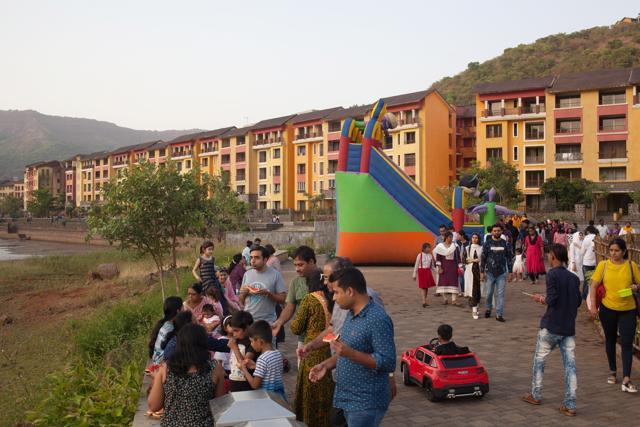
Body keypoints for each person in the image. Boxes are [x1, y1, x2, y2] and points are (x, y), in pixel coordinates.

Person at [309, 267, 396, 427]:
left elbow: (388, 362)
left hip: (365, 402)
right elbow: (345, 351)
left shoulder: (377, 319)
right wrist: (326, 365)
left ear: (350, 291)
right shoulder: (351, 314)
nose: (333, 298)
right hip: (347, 398)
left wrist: (351, 354)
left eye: (336, 292)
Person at [522, 244, 581, 416]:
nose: (547, 256)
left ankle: (536, 394)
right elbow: (577, 302)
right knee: (570, 366)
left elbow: (552, 299)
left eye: (549, 254)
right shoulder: (573, 277)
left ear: (553, 256)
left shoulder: (552, 275)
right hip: (568, 327)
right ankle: (570, 404)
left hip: (552, 325)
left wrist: (541, 299)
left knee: (539, 360)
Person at [148, 323, 225, 427]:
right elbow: (219, 408)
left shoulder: (166, 370)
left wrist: (157, 377)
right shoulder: (215, 369)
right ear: (204, 343)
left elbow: (154, 406)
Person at [589, 238, 639, 393]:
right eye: (611, 250)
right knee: (610, 340)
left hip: (628, 309)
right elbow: (593, 286)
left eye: (617, 250)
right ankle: (612, 370)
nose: (613, 253)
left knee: (626, 343)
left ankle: (626, 378)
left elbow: (639, 283)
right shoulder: (603, 266)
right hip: (607, 309)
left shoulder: (631, 266)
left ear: (624, 251)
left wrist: (635, 287)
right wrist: (592, 305)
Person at [290, 271, 334, 427]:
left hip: (312, 350)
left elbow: (296, 327)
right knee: (326, 391)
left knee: (310, 392)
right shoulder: (333, 299)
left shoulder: (310, 299)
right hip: (330, 350)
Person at [271, 246, 319, 351]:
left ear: (311, 262)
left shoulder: (325, 279)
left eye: (301, 265)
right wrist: (279, 322)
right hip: (303, 338)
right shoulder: (295, 282)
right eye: (295, 265)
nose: (297, 269)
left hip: (323, 338)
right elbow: (290, 307)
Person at [239, 245, 287, 326]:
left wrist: (268, 294)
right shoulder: (247, 274)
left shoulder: (275, 275)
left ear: (265, 260)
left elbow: (283, 299)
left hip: (267, 322)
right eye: (251, 257)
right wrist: (243, 294)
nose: (252, 261)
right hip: (248, 322)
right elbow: (241, 300)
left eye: (257, 258)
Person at [239, 320, 286, 398]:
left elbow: (255, 385)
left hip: (268, 399)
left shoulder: (262, 359)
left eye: (251, 341)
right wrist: (255, 366)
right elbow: (271, 371)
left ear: (260, 342)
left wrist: (244, 369)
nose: (251, 344)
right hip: (279, 397)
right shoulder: (278, 353)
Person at [481, 224, 513, 322]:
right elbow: (483, 258)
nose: (496, 232)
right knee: (489, 293)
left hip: (502, 273)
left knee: (500, 294)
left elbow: (509, 258)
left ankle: (499, 314)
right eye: (494, 231)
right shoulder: (487, 244)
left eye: (498, 231)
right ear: (492, 232)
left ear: (501, 231)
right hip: (489, 272)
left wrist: (510, 272)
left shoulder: (506, 244)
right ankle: (488, 309)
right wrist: (482, 272)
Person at [148, 296, 183, 368]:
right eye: (182, 307)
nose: (184, 309)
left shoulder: (162, 324)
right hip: (163, 366)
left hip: (156, 360)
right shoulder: (172, 328)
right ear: (178, 311)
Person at [193, 241, 227, 313]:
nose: (211, 251)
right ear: (203, 250)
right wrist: (197, 277)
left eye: (212, 249)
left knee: (218, 297)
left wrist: (217, 271)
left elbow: (212, 268)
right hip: (205, 282)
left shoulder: (212, 259)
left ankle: (221, 312)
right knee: (208, 298)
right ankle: (209, 313)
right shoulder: (200, 259)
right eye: (209, 249)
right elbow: (193, 270)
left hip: (213, 281)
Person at [227, 310, 257, 392]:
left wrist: (235, 348)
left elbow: (244, 364)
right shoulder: (237, 340)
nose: (234, 334)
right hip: (234, 380)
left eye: (236, 330)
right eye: (233, 331)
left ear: (247, 328)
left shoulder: (252, 343)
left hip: (245, 383)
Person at [434, 231, 462, 306]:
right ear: (446, 237)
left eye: (452, 237)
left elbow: (458, 258)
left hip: (453, 267)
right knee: (443, 283)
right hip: (444, 267)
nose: (451, 239)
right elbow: (438, 258)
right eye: (450, 237)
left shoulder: (455, 246)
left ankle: (454, 300)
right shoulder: (440, 246)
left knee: (454, 283)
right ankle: (445, 299)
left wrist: (460, 267)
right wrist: (439, 268)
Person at [463, 233, 483, 319]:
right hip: (470, 272)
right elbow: (464, 260)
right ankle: (474, 310)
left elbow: (483, 260)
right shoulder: (467, 248)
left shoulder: (481, 248)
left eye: (476, 238)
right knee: (472, 290)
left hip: (479, 271)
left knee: (478, 290)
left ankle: (476, 306)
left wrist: (476, 260)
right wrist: (474, 260)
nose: (474, 239)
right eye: (473, 237)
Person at [413, 242, 436, 307]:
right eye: (428, 248)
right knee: (423, 287)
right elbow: (416, 265)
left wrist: (437, 271)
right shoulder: (420, 255)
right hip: (421, 272)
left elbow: (432, 267)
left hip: (428, 272)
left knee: (426, 287)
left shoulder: (430, 256)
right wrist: (414, 274)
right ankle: (423, 301)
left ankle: (425, 300)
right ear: (424, 248)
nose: (429, 249)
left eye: (429, 248)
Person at [580, 226, 598, 300]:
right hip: (596, 262)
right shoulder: (598, 237)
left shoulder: (586, 239)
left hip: (587, 262)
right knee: (592, 280)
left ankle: (586, 296)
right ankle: (587, 295)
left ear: (588, 232)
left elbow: (582, 252)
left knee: (587, 280)